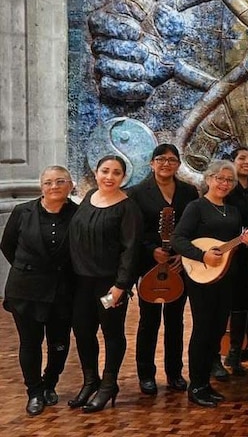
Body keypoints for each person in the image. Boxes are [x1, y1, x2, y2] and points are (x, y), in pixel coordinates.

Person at [172, 160, 248, 407]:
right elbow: (178, 239)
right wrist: (202, 255)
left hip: (226, 277)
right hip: (201, 277)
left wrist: (244, 242)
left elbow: (229, 247)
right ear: (208, 179)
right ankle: (196, 386)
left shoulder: (233, 211)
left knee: (218, 330)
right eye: (220, 178)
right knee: (202, 330)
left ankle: (206, 384)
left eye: (229, 180)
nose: (224, 183)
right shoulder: (196, 207)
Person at [1, 166, 79, 416]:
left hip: (63, 290)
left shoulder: (78, 214)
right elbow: (7, 245)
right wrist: (28, 269)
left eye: (60, 181)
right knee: (30, 343)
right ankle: (34, 392)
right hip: (26, 290)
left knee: (59, 342)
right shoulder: (22, 212)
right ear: (41, 186)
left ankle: (49, 383)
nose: (54, 186)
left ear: (70, 185)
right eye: (48, 182)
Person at [68, 155, 143, 412]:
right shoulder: (89, 197)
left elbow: (131, 251)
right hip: (81, 282)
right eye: (105, 171)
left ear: (123, 177)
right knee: (83, 331)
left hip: (109, 285)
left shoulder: (127, 207)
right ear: (97, 172)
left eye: (116, 173)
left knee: (111, 334)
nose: (109, 177)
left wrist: (121, 286)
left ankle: (109, 384)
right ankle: (91, 381)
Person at [128, 144, 198, 395]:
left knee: (175, 321)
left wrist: (182, 253)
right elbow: (134, 231)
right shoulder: (136, 193)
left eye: (171, 160)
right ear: (152, 163)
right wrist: (150, 250)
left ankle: (174, 372)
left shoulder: (189, 192)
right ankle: (146, 374)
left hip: (178, 265)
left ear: (178, 164)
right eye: (161, 159)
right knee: (149, 321)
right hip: (150, 266)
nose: (166, 164)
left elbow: (194, 227)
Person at [222, 146, 248, 377]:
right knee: (232, 304)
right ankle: (230, 351)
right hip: (229, 255)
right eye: (242, 158)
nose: (247, 162)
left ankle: (245, 351)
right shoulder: (226, 189)